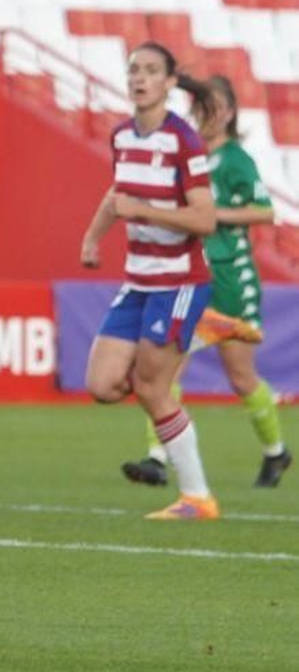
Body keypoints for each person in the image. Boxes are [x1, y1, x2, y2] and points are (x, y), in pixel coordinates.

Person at [120, 73, 289, 489]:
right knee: (163, 373)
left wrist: (214, 217)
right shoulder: (186, 154)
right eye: (200, 106)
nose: (204, 113)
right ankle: (157, 457)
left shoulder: (235, 160)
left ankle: (276, 452)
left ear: (229, 112)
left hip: (231, 279)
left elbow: (265, 212)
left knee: (240, 377)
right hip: (187, 277)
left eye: (213, 106)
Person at [81, 42, 221, 520]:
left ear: (168, 83)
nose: (139, 78)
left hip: (179, 281)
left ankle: (197, 498)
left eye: (150, 71)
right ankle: (192, 341)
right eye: (133, 70)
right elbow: (117, 193)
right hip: (138, 280)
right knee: (102, 384)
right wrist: (93, 238)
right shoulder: (123, 137)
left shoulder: (183, 141)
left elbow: (205, 219)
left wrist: (142, 211)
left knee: (151, 387)